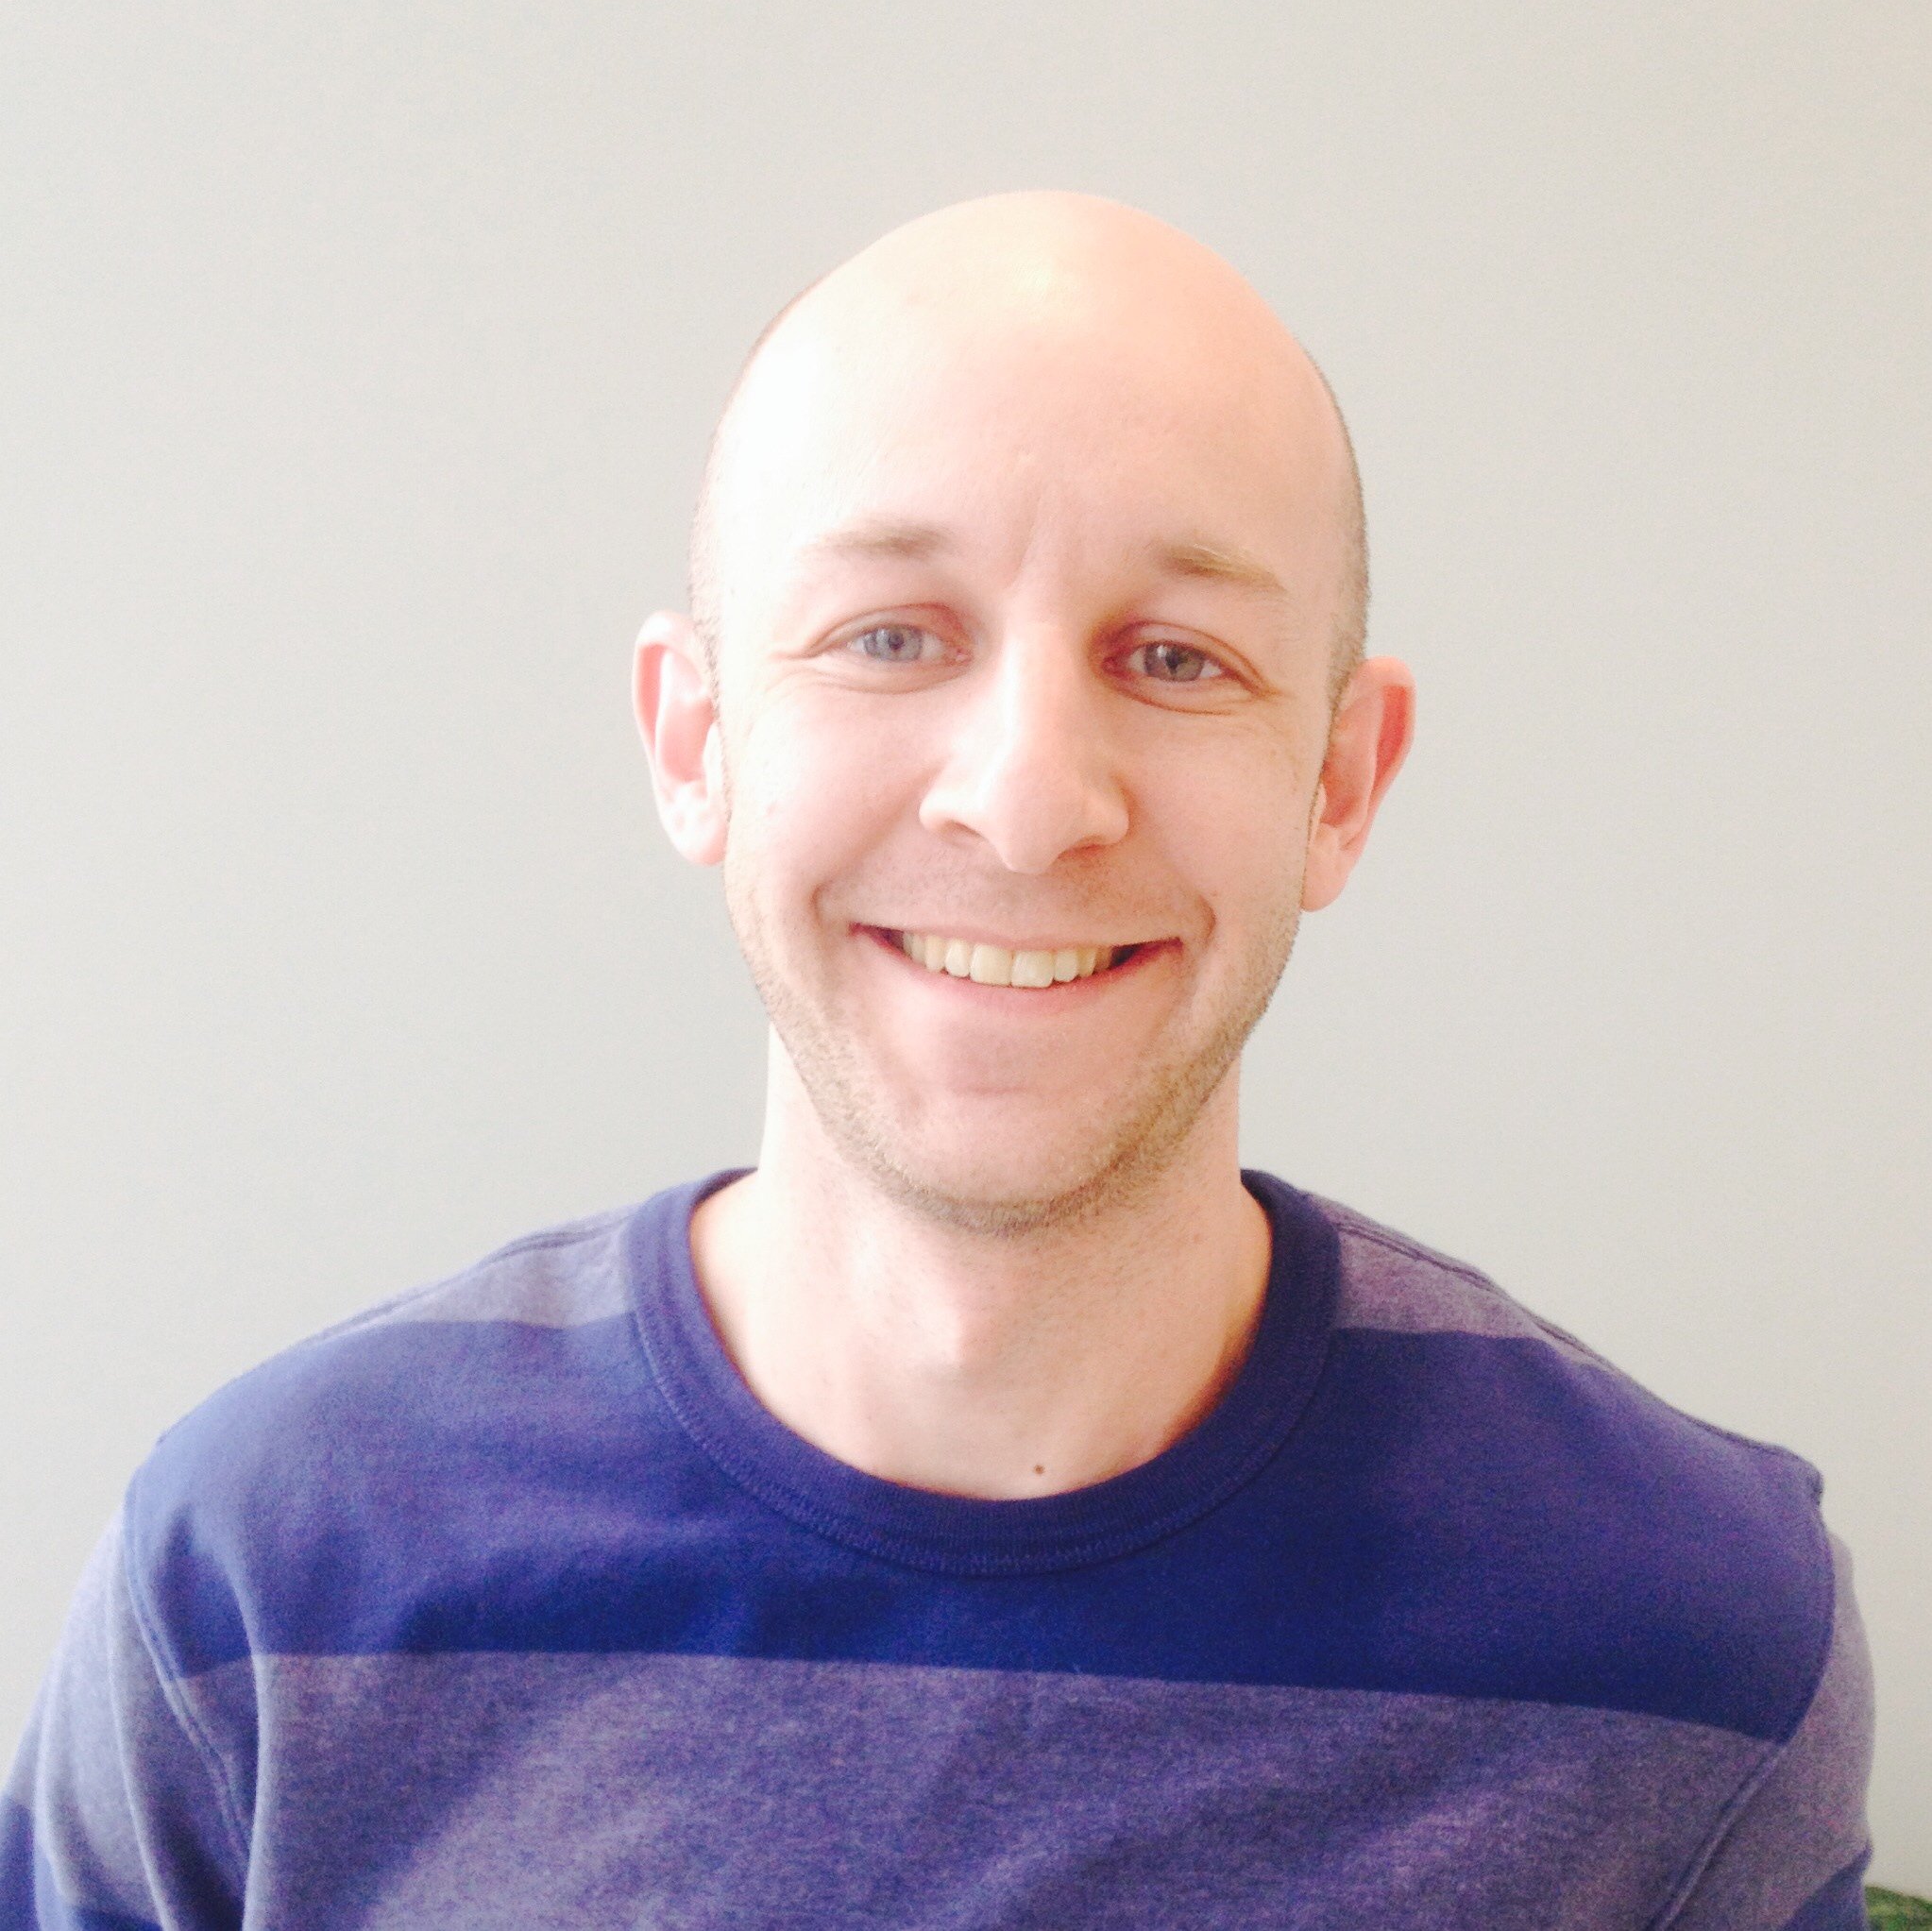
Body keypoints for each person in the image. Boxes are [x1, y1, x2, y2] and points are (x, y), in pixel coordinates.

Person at [5, 193, 1873, 1929]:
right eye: (890, 636)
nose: (1028, 798)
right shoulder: (256, 1588)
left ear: (1338, 781)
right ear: (695, 742)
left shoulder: (1692, 1640)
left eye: (1178, 657)